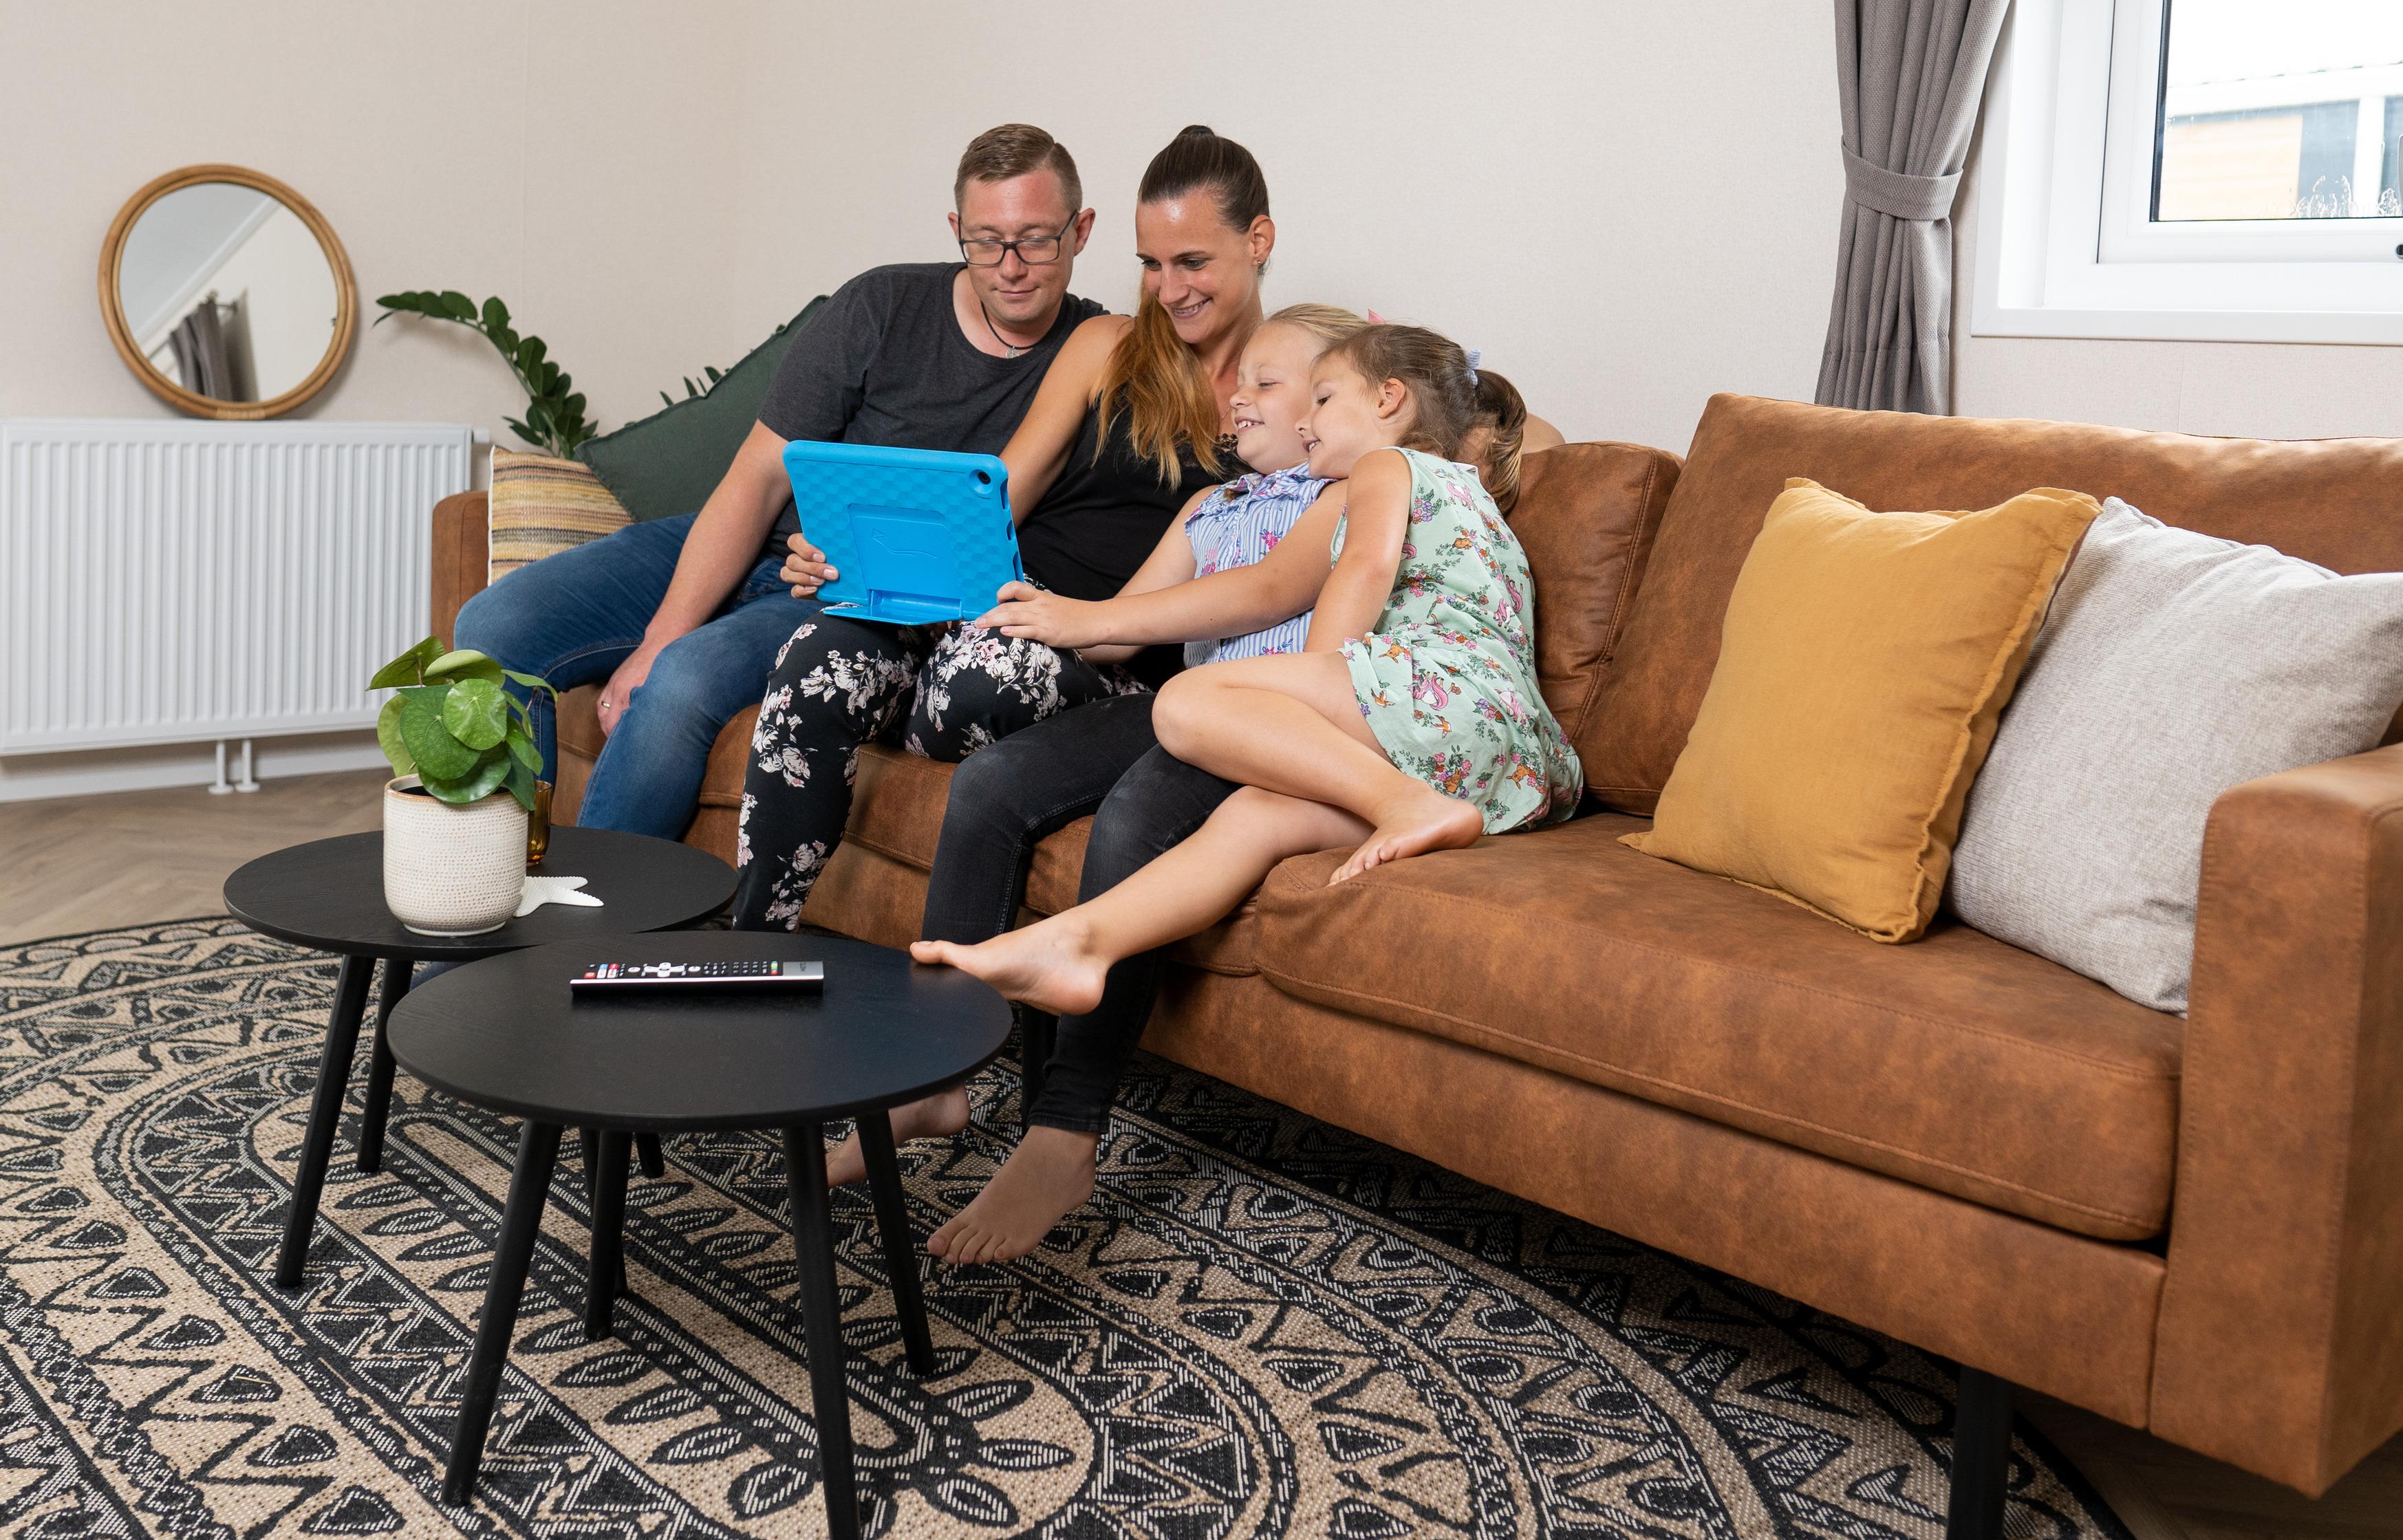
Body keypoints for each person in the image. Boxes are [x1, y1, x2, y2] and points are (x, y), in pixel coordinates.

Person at [916, 321, 1582, 1071]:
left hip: (1440, 693)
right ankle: (1085, 944)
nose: (1307, 420)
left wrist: (1310, 688)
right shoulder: (1463, 492)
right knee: (1252, 820)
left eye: (1323, 398)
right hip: (1496, 760)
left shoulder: (1387, 465)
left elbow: (1364, 569)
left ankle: (1407, 805)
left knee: (1185, 703)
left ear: (1390, 400)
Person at [452, 122, 1117, 840]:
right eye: (986, 241)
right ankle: (490, 878)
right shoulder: (881, 305)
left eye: (1036, 240)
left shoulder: (1099, 354)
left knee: (682, 682)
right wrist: (660, 635)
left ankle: (597, 908)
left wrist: (670, 655)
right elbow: (758, 476)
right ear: (956, 230)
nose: (1010, 267)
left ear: (1080, 231)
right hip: (756, 545)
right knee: (491, 627)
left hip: (840, 598)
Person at [728, 125, 1279, 929]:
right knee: (816, 656)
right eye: (1151, 264)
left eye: (1191, 261)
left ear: (1258, 241)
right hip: (994, 594)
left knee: (977, 678)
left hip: (1109, 645)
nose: (1168, 290)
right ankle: (754, 947)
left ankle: (922, 691)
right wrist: (853, 558)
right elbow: (996, 498)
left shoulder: (1288, 391)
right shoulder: (1107, 345)